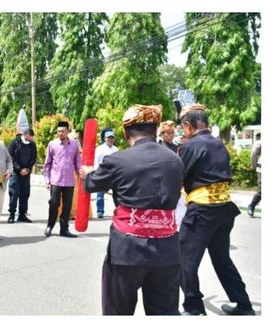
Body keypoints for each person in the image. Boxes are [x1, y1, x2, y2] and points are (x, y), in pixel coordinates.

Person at [80, 104, 184, 315]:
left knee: (118, 311)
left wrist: (87, 173)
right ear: (156, 131)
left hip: (127, 251)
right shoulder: (175, 160)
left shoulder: (118, 160)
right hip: (168, 249)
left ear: (126, 133)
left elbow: (91, 184)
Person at [178, 103, 255, 315]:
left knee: (183, 258)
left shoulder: (191, 146)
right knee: (222, 258)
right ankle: (244, 305)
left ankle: (194, 308)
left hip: (203, 209)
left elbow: (178, 176)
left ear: (188, 125)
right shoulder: (217, 144)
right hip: (224, 208)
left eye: (183, 127)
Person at [43, 121, 81, 238]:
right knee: (54, 203)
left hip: (69, 181)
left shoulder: (74, 145)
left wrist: (81, 175)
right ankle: (50, 226)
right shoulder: (52, 144)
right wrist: (47, 178)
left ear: (68, 131)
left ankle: (64, 229)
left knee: (67, 206)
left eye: (63, 131)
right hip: (55, 180)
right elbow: (47, 164)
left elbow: (77, 162)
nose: (60, 133)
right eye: (58, 131)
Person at [7, 128, 37, 223]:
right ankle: (11, 214)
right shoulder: (14, 143)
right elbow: (10, 158)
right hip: (16, 173)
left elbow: (33, 158)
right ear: (26, 134)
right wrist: (19, 169)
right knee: (14, 193)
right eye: (31, 136)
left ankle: (22, 214)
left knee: (25, 194)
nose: (32, 138)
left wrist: (28, 169)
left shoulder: (32, 145)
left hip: (26, 173)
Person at [94, 129, 118, 218]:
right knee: (100, 194)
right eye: (109, 138)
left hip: (113, 174)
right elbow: (96, 162)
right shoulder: (99, 149)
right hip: (102, 173)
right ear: (105, 138)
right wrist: (97, 173)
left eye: (112, 138)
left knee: (116, 194)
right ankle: (100, 211)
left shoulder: (116, 149)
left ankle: (118, 210)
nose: (110, 139)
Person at [248, 134, 261, 217]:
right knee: (262, 190)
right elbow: (253, 154)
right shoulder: (261, 143)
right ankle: (252, 205)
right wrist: (254, 164)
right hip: (263, 169)